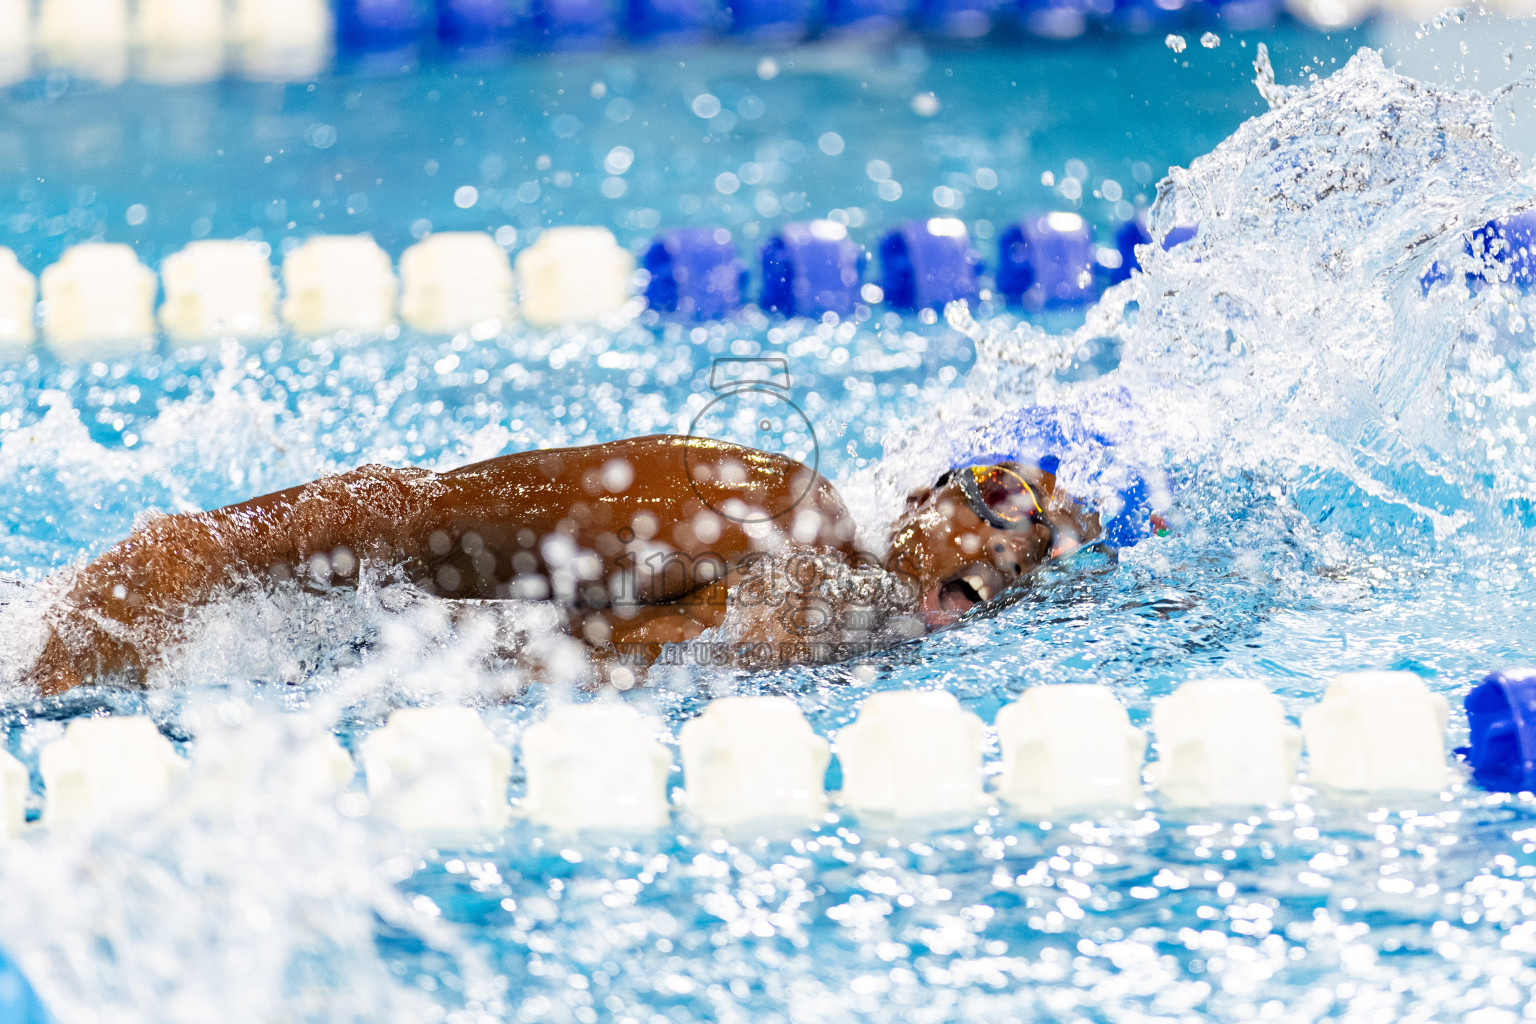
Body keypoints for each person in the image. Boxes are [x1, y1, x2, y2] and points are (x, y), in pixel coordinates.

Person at [23, 429, 1144, 694]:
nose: (1009, 549)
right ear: (921, 495)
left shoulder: (823, 632)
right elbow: (390, 515)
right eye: (1001, 499)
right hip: (140, 617)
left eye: (1036, 555)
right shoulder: (750, 511)